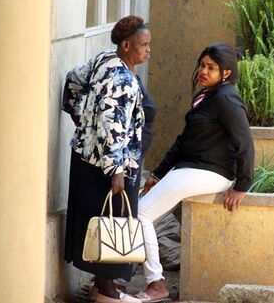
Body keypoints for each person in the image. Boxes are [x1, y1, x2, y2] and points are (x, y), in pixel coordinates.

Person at [135, 43, 255, 302]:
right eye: (202, 64)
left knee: (141, 213)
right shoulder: (206, 96)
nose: (203, 70)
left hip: (211, 172)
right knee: (145, 214)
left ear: (225, 73)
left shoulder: (227, 99)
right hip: (191, 168)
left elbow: (245, 142)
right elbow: (184, 140)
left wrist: (242, 186)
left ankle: (156, 284)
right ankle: (137, 277)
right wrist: (158, 173)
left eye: (211, 67)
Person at [62, 15, 155, 303]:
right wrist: (116, 170)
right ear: (126, 45)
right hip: (107, 167)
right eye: (143, 45)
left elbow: (72, 80)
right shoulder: (122, 80)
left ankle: (101, 284)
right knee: (112, 222)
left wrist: (78, 114)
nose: (148, 50)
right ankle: (107, 290)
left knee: (97, 222)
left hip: (86, 160)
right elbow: (111, 126)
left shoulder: (105, 59)